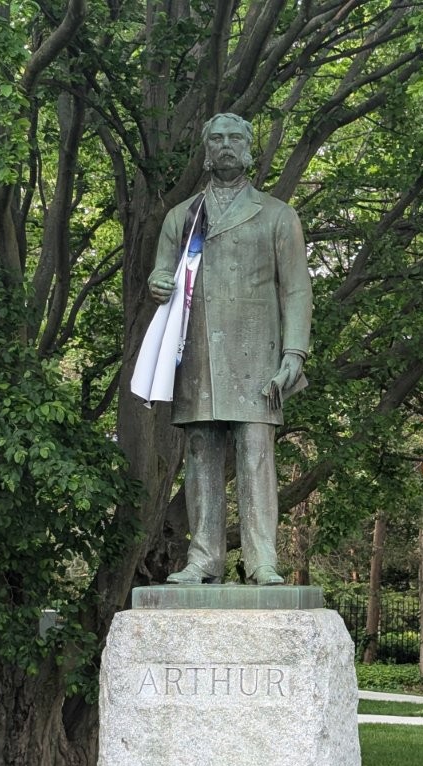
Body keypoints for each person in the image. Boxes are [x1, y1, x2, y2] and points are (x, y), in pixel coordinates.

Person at [148, 113, 312, 585]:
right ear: (206, 149)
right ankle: (203, 559)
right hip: (198, 353)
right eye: (216, 138)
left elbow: (297, 291)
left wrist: (294, 354)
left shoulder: (278, 215)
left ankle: (263, 560)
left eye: (234, 138)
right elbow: (163, 274)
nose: (225, 145)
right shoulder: (183, 216)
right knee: (200, 455)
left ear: (248, 149)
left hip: (257, 353)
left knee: (257, 453)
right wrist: (158, 282)